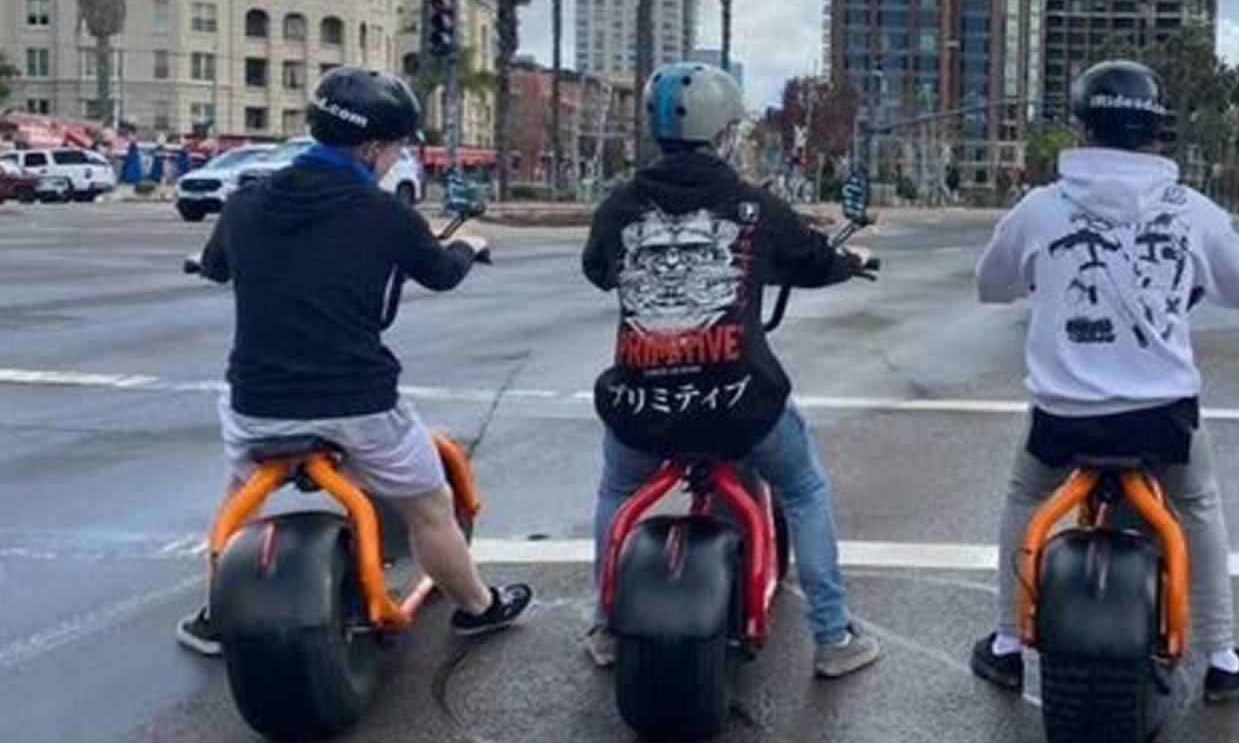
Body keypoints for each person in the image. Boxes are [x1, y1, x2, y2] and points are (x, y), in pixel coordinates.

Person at [176, 68, 533, 655]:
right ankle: (478, 607)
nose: (394, 160)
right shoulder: (383, 213)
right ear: (371, 148)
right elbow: (441, 273)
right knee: (431, 503)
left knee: (240, 489)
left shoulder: (245, 205)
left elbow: (214, 265)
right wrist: (468, 245)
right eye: (394, 149)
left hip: (257, 406)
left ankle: (216, 615)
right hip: (359, 408)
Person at [970, 59, 1239, 703]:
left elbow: (991, 285)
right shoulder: (1192, 210)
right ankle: (1221, 657)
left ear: (1083, 127)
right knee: (1197, 507)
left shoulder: (1040, 207)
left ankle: (1006, 644)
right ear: (1154, 132)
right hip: (1161, 415)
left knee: (1025, 497)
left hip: (1064, 416)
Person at [581, 61, 880, 679]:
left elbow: (597, 270)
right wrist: (851, 261)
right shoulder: (753, 205)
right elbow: (815, 263)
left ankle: (606, 626)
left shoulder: (619, 205)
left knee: (618, 489)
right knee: (803, 488)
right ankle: (832, 636)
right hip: (739, 404)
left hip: (643, 408)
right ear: (725, 131)